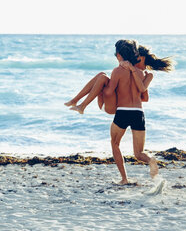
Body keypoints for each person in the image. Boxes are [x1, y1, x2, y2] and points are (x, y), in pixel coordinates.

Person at [65, 40, 175, 184]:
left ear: (118, 55)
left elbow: (110, 91)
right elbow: (144, 97)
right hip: (138, 113)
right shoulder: (142, 74)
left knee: (115, 143)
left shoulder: (118, 71)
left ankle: (124, 178)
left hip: (121, 111)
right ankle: (150, 160)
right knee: (139, 153)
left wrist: (100, 89)